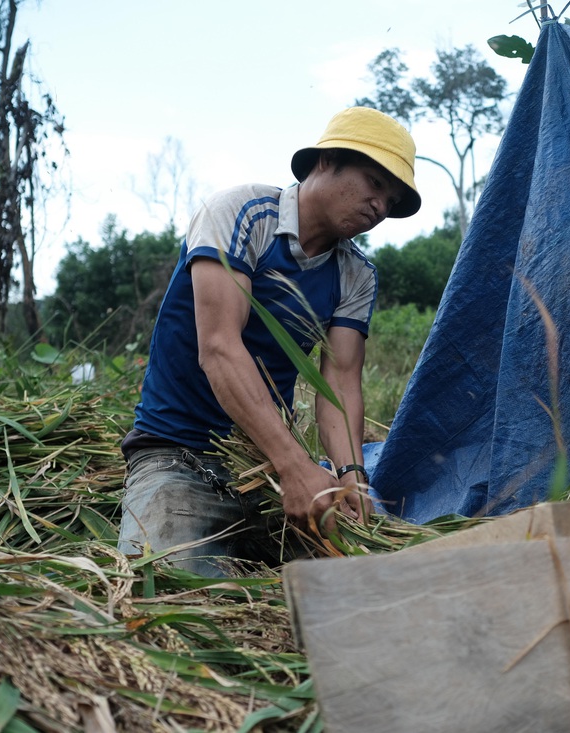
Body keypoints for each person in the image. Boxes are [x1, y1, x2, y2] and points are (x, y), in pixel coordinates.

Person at [118, 107, 421, 576]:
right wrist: (294, 465)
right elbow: (219, 347)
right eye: (374, 183)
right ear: (325, 162)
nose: (380, 206)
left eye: (392, 198)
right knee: (167, 582)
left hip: (262, 463)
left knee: (361, 572)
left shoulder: (356, 274)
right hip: (177, 451)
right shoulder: (242, 214)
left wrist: (351, 479)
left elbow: (340, 383)